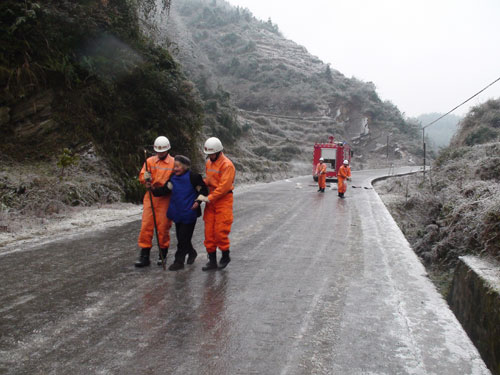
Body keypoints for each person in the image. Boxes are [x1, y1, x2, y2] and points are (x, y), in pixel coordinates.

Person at [152, 155, 208, 271]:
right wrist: (152, 189)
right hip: (177, 212)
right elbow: (164, 190)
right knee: (182, 237)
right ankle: (192, 253)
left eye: (178, 166)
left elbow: (203, 190)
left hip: (189, 212)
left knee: (183, 238)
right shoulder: (173, 178)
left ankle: (179, 261)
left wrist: (198, 201)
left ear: (185, 166)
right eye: (174, 167)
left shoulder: (193, 177)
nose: (175, 169)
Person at [196, 137, 235, 271]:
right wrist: (201, 183)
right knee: (209, 232)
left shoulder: (227, 165)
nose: (210, 156)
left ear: (218, 152)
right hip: (211, 201)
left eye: (212, 154)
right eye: (209, 154)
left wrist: (209, 197)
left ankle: (225, 255)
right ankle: (212, 260)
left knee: (220, 231)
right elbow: (210, 180)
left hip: (223, 200)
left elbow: (224, 187)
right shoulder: (209, 163)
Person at [135, 136, 174, 268]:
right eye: (158, 151)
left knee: (163, 227)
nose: (160, 153)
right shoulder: (149, 161)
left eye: (162, 151)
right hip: (150, 197)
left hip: (165, 198)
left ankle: (163, 253)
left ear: (167, 150)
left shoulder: (174, 163)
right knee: (146, 225)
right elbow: (142, 176)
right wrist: (144, 178)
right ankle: (144, 255)